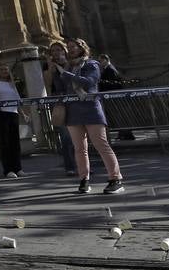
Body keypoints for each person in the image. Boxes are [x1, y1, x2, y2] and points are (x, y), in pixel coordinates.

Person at [55, 38, 124, 194]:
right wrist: (56, 72)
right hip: (73, 111)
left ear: (82, 48)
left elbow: (89, 82)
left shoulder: (91, 64)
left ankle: (115, 178)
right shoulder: (67, 67)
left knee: (101, 144)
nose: (70, 49)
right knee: (79, 149)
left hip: (91, 109)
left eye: (73, 47)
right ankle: (84, 179)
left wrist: (66, 74)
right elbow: (60, 88)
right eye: (68, 47)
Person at [0, 62, 26, 178]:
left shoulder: (12, 84)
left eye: (6, 70)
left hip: (13, 114)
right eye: (2, 70)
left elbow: (17, 100)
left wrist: (23, 114)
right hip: (1, 114)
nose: (5, 71)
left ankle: (18, 168)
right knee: (5, 143)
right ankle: (8, 170)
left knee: (15, 143)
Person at [45, 41, 78, 176]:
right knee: (65, 137)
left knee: (79, 136)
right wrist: (50, 70)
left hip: (74, 101)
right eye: (53, 51)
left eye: (58, 50)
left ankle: (83, 165)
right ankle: (70, 166)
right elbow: (47, 85)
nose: (56, 53)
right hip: (60, 102)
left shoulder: (72, 64)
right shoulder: (50, 67)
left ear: (64, 51)